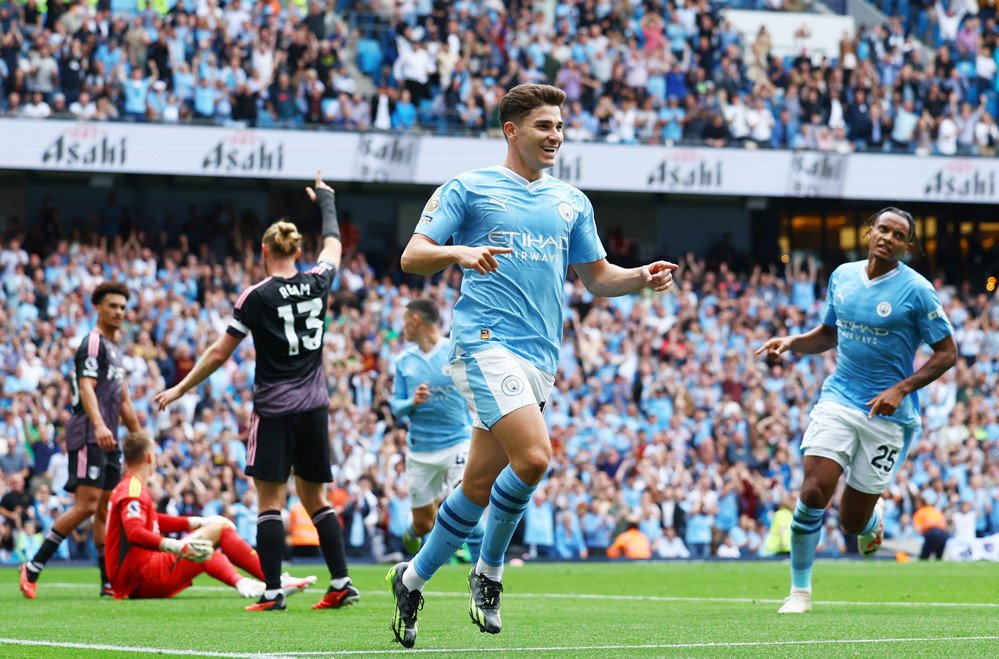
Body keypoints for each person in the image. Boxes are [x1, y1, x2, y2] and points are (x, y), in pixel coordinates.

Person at [387, 83, 677, 648]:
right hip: (483, 343)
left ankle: (411, 578)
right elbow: (412, 255)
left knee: (477, 484)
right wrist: (457, 251)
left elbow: (598, 279)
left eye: (560, 126)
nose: (556, 136)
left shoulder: (572, 202)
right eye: (544, 125)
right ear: (511, 130)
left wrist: (641, 277)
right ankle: (490, 572)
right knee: (536, 456)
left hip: (540, 357)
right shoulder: (468, 187)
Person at [153, 171, 356, 612]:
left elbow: (219, 352)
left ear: (263, 251)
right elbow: (334, 247)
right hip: (315, 406)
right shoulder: (319, 280)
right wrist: (326, 202)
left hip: (275, 409)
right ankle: (341, 581)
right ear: (297, 251)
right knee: (316, 499)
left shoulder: (255, 296)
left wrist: (182, 387)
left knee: (269, 503)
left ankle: (273, 591)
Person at [756, 206, 957, 614]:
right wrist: (792, 342)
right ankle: (799, 593)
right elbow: (829, 334)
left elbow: (947, 353)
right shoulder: (842, 276)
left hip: (888, 417)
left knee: (851, 522)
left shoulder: (917, 291)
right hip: (840, 398)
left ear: (908, 247)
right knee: (813, 490)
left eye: (898, 235)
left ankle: (872, 521)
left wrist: (901, 389)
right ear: (869, 232)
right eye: (883, 229)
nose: (888, 238)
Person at [21, 281, 141, 599]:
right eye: (113, 306)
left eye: (123, 307)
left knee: (103, 509)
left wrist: (141, 439)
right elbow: (86, 387)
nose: (119, 312)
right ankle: (33, 565)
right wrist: (100, 425)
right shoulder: (93, 343)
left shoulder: (115, 349)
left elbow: (124, 400)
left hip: (108, 436)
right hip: (89, 432)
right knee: (86, 505)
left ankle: (107, 582)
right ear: (97, 308)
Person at [105, 430, 315, 600]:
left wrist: (196, 522)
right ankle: (273, 580)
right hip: (141, 577)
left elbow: (154, 521)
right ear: (149, 456)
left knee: (206, 545)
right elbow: (134, 532)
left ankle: (247, 582)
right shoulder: (133, 490)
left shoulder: (129, 486)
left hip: (136, 577)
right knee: (220, 527)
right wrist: (176, 546)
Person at [391, 297, 483, 560]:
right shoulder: (404, 361)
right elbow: (396, 407)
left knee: (469, 505)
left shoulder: (454, 350)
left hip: (457, 441)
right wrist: (412, 402)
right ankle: (412, 534)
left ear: (416, 320)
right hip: (421, 450)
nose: (402, 327)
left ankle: (485, 573)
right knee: (424, 525)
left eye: (405, 321)